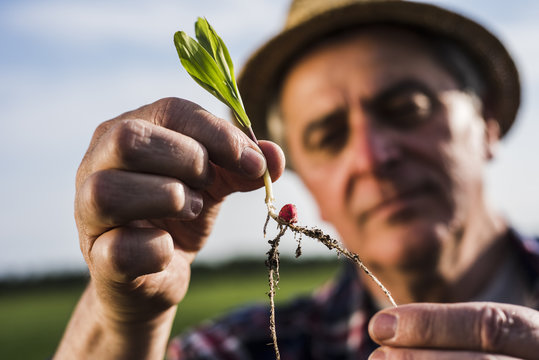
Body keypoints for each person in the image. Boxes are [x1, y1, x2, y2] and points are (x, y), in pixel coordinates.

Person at [54, 0, 539, 359]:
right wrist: (122, 320)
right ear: (300, 175)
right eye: (329, 137)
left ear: (487, 123)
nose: (373, 156)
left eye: (406, 109)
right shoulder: (249, 348)